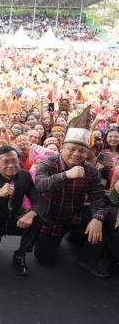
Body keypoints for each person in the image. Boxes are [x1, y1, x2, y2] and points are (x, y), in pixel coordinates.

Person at [34, 107, 114, 277]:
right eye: (72, 149)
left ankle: (86, 258)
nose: (77, 154)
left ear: (87, 152)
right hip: (51, 217)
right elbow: (40, 185)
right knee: (45, 259)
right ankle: (64, 238)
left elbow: (99, 197)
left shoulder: (91, 170)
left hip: (75, 214)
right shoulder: (49, 163)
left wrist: (96, 218)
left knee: (107, 219)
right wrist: (65, 175)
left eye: (82, 151)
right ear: (62, 146)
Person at [0, 145, 46, 276]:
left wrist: (30, 213)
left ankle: (20, 254)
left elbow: (38, 200)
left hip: (16, 219)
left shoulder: (24, 175)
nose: (11, 165)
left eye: (14, 161)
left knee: (38, 219)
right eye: (6, 162)